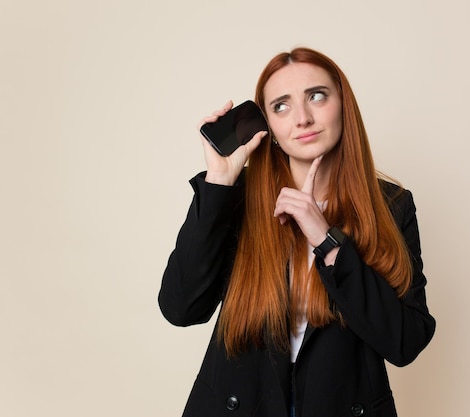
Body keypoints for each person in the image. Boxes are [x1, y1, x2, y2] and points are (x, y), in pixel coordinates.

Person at [158, 47, 436, 417]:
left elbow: (406, 341)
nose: (302, 118)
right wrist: (220, 181)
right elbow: (181, 308)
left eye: (317, 96)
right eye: (281, 106)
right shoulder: (239, 200)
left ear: (343, 105)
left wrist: (328, 241)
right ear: (268, 126)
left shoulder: (391, 205)